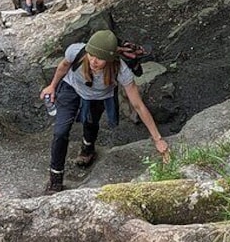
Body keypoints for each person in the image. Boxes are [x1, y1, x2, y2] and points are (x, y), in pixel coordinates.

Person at [39, 30, 170, 194]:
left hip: (98, 96)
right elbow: (63, 66)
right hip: (71, 88)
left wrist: (158, 139)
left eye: (100, 58)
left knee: (91, 122)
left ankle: (87, 149)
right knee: (60, 131)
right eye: (91, 55)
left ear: (109, 59)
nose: (94, 61)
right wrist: (52, 86)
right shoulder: (76, 51)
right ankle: (55, 179)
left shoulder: (121, 71)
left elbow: (138, 105)